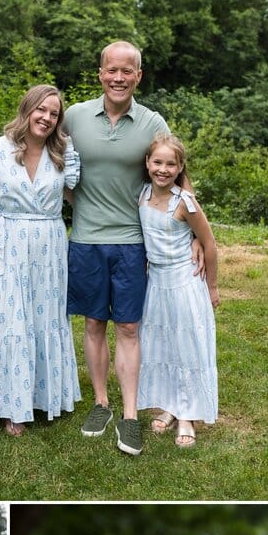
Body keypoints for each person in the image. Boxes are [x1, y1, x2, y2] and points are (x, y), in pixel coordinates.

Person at [63, 41, 172, 457]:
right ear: (100, 73)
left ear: (138, 76)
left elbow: (175, 170)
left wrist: (197, 233)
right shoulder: (73, 116)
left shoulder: (151, 122)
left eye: (128, 71)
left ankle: (129, 416)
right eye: (112, 70)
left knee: (128, 327)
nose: (119, 78)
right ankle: (101, 404)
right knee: (93, 323)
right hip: (86, 239)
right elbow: (43, 155)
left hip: (132, 241)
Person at [0, 85, 81, 436]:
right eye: (41, 109)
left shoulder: (65, 153)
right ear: (26, 109)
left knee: (40, 318)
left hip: (47, 246)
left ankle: (26, 401)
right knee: (2, 317)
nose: (46, 118)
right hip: (5, 242)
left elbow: (85, 197)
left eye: (54, 113)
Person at [136, 135, 219, 448]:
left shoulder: (184, 202)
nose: (163, 169)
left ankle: (188, 415)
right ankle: (171, 405)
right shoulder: (142, 195)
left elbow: (208, 243)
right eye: (157, 162)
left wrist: (211, 285)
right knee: (164, 343)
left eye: (171, 164)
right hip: (156, 283)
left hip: (184, 281)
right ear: (147, 163)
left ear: (181, 167)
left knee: (187, 346)